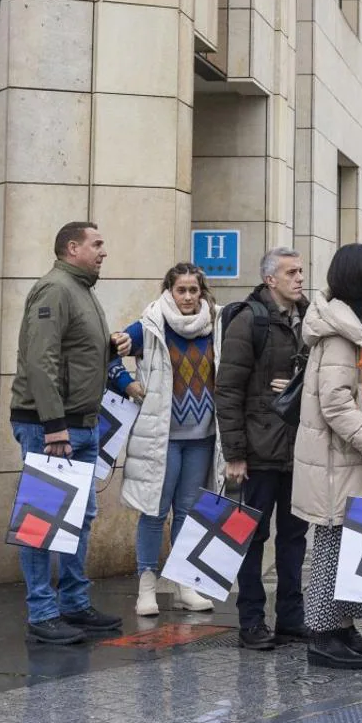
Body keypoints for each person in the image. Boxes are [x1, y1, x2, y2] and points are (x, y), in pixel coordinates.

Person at [10, 221, 132, 644]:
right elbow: (39, 361)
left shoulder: (81, 289)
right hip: (52, 428)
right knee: (43, 521)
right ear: (72, 247)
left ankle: (74, 604)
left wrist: (109, 348)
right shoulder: (56, 290)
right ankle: (42, 613)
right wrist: (54, 427)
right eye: (97, 244)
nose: (103, 251)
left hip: (82, 424)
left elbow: (70, 354)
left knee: (78, 519)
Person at [292, 243, 362, 670]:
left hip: (349, 460)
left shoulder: (354, 320)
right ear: (358, 276)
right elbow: (335, 403)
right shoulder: (340, 331)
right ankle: (321, 634)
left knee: (352, 546)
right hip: (339, 462)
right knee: (333, 546)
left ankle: (343, 627)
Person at [215, 247, 313, 651]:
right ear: (270, 279)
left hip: (297, 450)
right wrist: (235, 453)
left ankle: (291, 618)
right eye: (291, 272)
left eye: (302, 271)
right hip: (258, 451)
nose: (300, 278)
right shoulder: (248, 321)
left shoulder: (308, 319)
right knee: (252, 538)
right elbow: (228, 389)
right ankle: (251, 621)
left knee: (294, 538)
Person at [109, 262, 220, 618]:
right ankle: (146, 587)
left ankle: (184, 584)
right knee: (155, 511)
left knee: (189, 511)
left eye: (193, 290)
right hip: (162, 437)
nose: (188, 297)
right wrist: (126, 383)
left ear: (201, 291)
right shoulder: (149, 325)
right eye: (181, 290)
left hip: (203, 436)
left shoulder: (216, 324)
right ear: (169, 291)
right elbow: (108, 354)